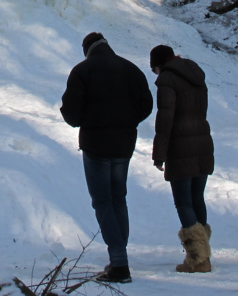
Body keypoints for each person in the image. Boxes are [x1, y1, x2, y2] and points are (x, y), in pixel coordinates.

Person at [60, 32, 153, 284]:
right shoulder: (131, 69)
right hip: (124, 145)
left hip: (95, 145)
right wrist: (127, 121)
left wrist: (86, 121)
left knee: (102, 201)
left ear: (87, 50)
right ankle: (118, 258)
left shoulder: (82, 71)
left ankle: (120, 265)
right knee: (118, 199)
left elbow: (71, 114)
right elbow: (146, 104)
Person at [150, 43, 214, 273]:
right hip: (203, 141)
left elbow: (165, 120)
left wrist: (159, 155)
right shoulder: (195, 73)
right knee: (197, 198)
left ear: (158, 65)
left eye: (154, 69)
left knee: (183, 202)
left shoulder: (167, 80)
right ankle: (203, 252)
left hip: (180, 146)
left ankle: (198, 259)